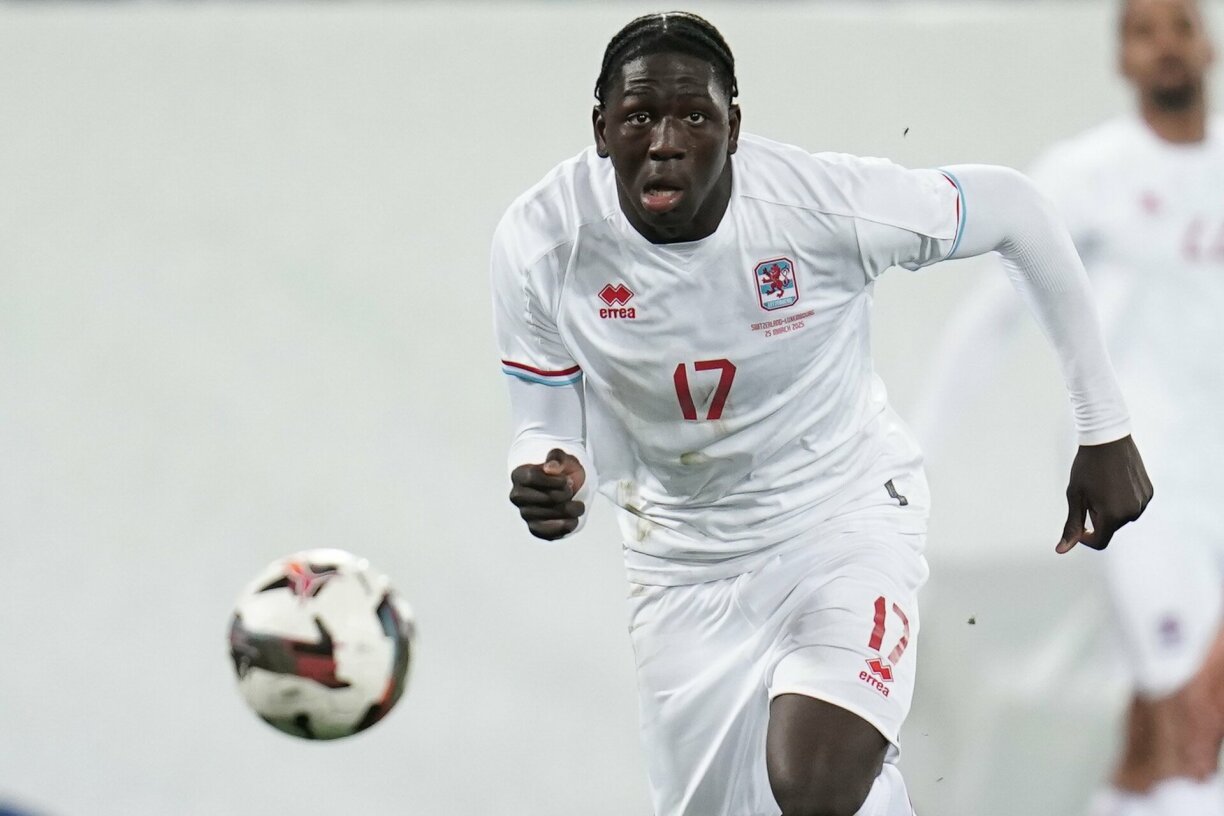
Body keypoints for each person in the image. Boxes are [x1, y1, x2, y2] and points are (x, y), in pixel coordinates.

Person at [490, 11, 1153, 816]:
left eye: (694, 116)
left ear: (734, 128)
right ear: (600, 131)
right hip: (679, 566)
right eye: (638, 118)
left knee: (811, 785)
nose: (665, 140)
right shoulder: (541, 243)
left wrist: (1102, 424)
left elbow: (1015, 210)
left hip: (840, 524)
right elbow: (549, 421)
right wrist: (555, 470)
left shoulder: (820, 208)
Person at [913, 1, 1223, 814]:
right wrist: (916, 451)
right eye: (1144, 32)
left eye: (1179, 27)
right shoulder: (1089, 174)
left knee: (1173, 732)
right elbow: (992, 318)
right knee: (1193, 706)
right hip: (1146, 480)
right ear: (1122, 58)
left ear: (1209, 44)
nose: (1165, 47)